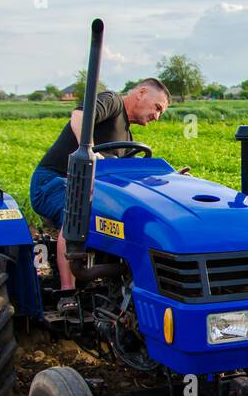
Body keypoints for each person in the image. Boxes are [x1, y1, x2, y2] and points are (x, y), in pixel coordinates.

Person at [30, 79, 170, 294]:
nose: (157, 116)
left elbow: (125, 179)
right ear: (142, 93)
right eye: (157, 107)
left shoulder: (127, 136)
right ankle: (67, 292)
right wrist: (89, 151)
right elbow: (79, 116)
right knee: (79, 213)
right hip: (54, 181)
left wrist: (165, 179)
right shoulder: (112, 102)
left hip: (88, 188)